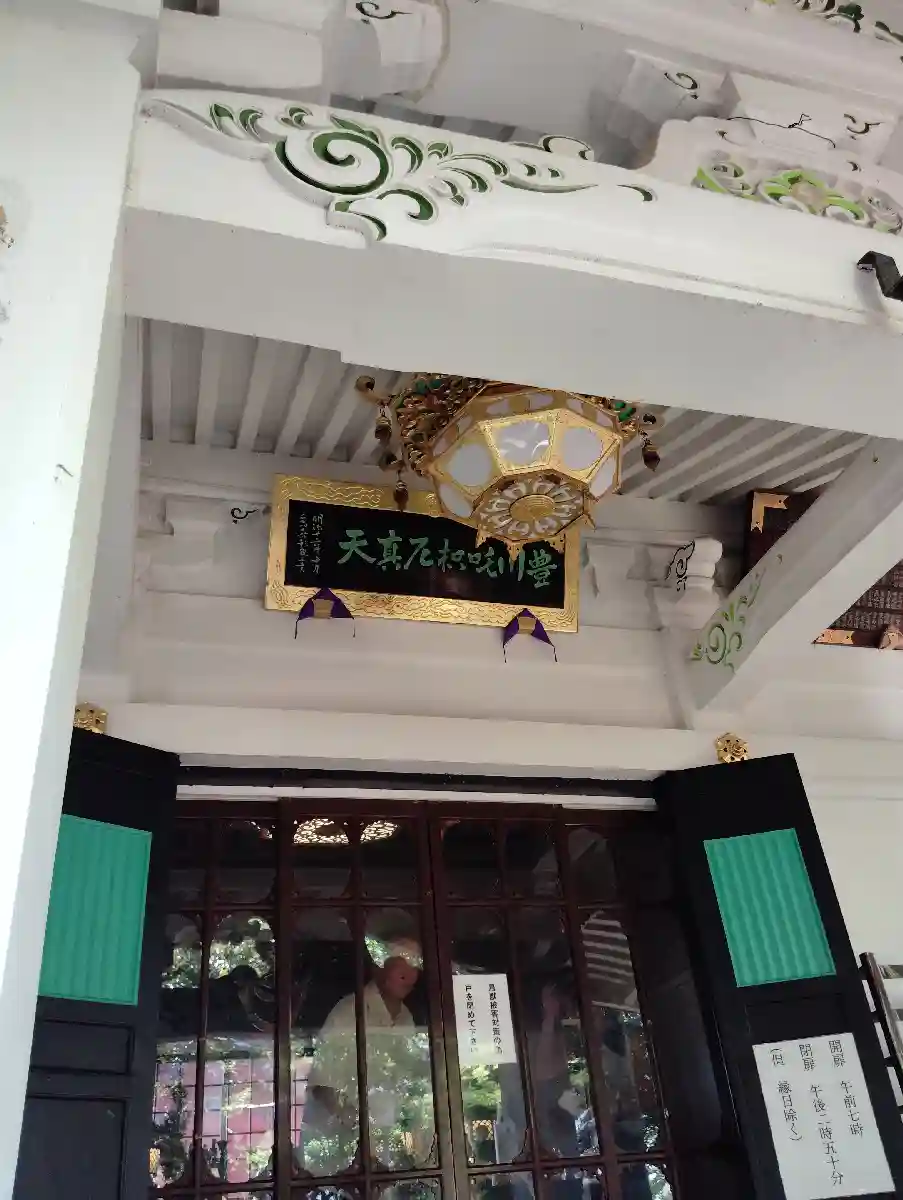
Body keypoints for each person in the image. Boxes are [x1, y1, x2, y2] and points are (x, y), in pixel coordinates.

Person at [300, 936, 432, 1175]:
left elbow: (410, 1077)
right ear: (379, 966)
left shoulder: (406, 1019)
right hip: (337, 1149)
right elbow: (324, 1085)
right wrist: (357, 1127)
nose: (409, 973)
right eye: (401, 962)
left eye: (415, 965)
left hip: (382, 1145)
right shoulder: (349, 1011)